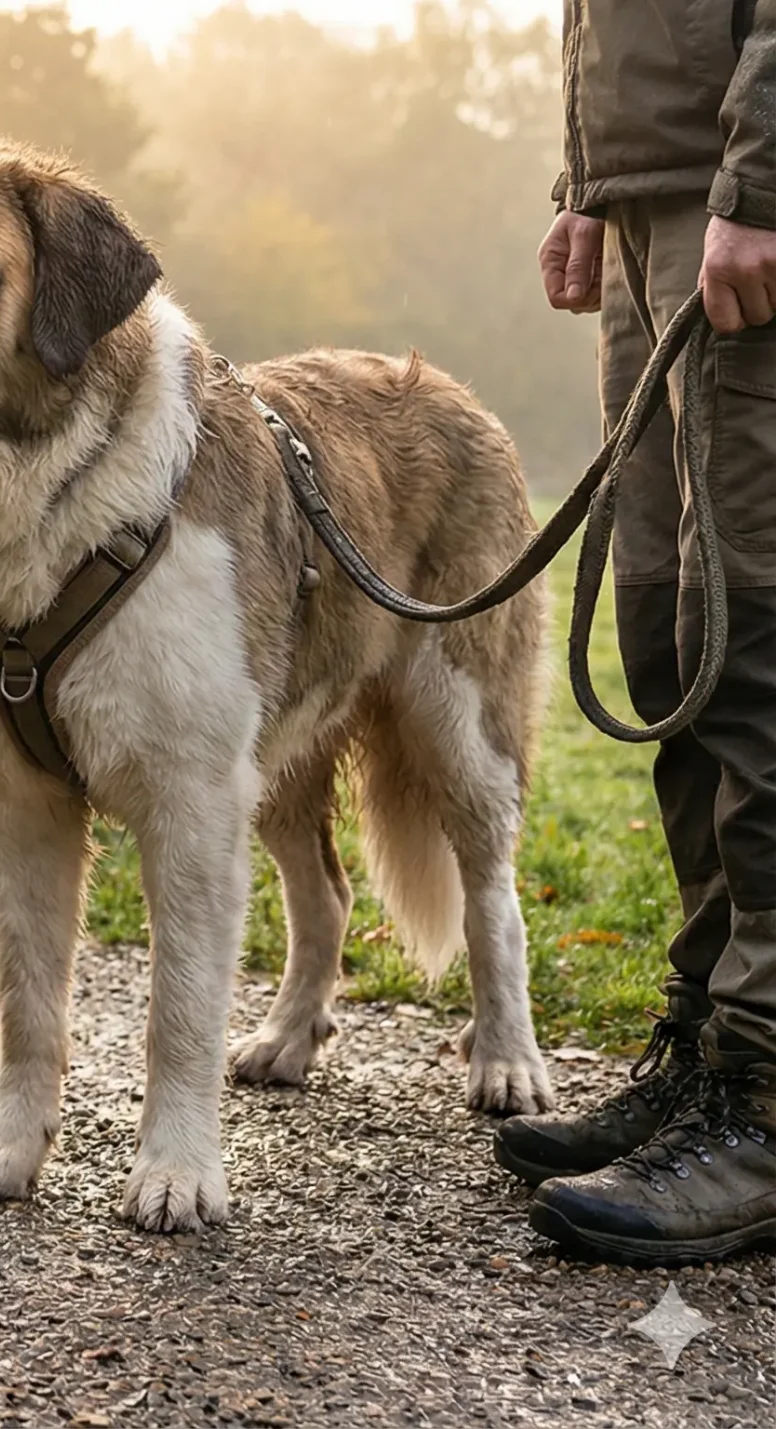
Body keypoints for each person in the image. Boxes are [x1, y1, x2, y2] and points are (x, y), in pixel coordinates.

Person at [494, 0, 776, 1264]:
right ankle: (711, 1038)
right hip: (648, 190)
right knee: (665, 637)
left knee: (751, 642)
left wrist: (763, 175)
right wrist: (582, 180)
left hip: (737, 191)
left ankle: (764, 1099)